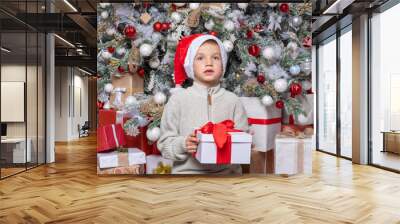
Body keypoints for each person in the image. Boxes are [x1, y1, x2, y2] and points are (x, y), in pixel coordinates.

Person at [157, 34, 249, 174]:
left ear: (223, 64)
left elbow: (243, 141)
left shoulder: (233, 101)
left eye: (215, 58)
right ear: (190, 64)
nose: (209, 63)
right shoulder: (178, 101)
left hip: (227, 176)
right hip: (188, 177)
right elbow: (164, 145)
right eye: (200, 58)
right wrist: (183, 144)